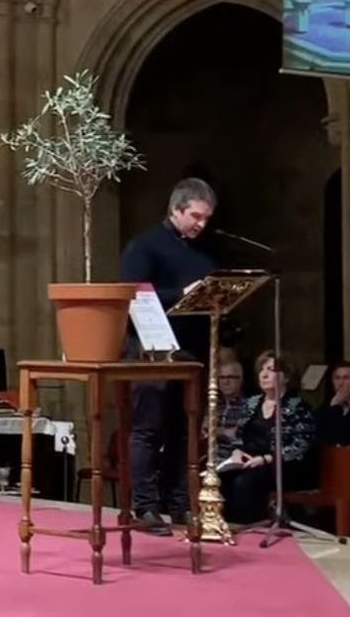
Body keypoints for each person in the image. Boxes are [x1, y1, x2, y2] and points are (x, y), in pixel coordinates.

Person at [119, 177, 218, 535]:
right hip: (152, 350)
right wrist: (183, 293)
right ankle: (144, 507)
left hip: (190, 351)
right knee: (147, 430)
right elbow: (131, 295)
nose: (201, 224)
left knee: (183, 431)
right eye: (196, 216)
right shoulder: (144, 247)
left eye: (207, 218)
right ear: (176, 209)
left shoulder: (203, 255)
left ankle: (179, 503)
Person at [219, 351, 315, 524]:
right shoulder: (251, 402)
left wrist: (265, 459)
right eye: (261, 370)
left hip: (283, 464)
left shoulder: (298, 406)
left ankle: (249, 526)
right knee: (219, 478)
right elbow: (238, 436)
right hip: (249, 461)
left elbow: (300, 446)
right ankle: (224, 526)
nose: (263, 374)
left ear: (286, 377)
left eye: (270, 370)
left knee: (244, 483)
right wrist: (236, 452)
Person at [211, 359, 249, 463]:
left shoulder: (248, 406)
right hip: (210, 461)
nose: (225, 382)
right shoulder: (213, 406)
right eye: (222, 377)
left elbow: (239, 436)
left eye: (230, 377)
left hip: (235, 462)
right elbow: (203, 433)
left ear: (240, 379)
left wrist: (214, 431)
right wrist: (223, 432)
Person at [317, 360, 350, 448]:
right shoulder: (324, 409)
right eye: (337, 378)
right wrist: (333, 408)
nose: (340, 383)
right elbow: (322, 437)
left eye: (346, 378)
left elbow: (344, 437)